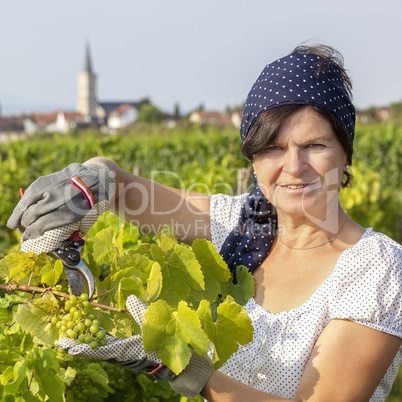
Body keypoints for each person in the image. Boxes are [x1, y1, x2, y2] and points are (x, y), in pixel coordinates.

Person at [7, 44, 402, 401]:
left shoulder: (378, 271)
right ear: (252, 159)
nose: (293, 167)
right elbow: (124, 187)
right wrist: (93, 179)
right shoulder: (243, 225)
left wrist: (181, 368)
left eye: (314, 145)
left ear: (345, 154)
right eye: (273, 148)